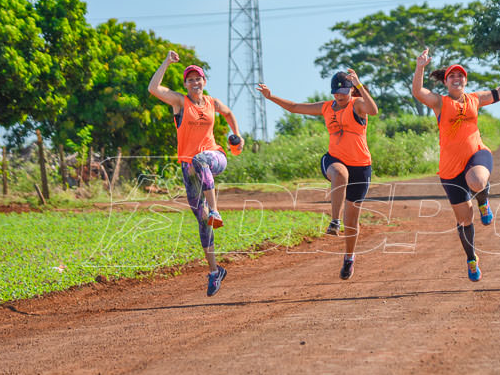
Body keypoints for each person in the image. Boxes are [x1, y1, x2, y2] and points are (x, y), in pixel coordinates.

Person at [412, 47, 500, 281]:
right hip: (450, 170)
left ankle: (483, 202)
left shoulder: (474, 99)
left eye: (460, 76)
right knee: (464, 220)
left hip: (476, 154)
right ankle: (471, 258)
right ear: (446, 82)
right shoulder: (440, 103)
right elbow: (418, 92)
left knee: (478, 180)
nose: (456, 79)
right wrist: (420, 67)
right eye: (452, 76)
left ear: (465, 81)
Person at [256, 69, 379, 280]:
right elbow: (294, 108)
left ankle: (349, 257)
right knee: (340, 174)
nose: (339, 96)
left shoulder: (357, 104)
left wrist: (358, 84)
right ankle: (334, 221)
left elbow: (374, 110)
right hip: (334, 159)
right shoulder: (326, 107)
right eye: (336, 92)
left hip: (361, 167)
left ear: (350, 90)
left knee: (353, 222)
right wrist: (271, 96)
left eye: (343, 92)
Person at [148, 50, 244, 297]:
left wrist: (237, 134)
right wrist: (167, 62)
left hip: (214, 157)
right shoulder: (181, 102)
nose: (194, 83)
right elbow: (153, 88)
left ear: (204, 82)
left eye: (198, 78)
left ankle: (215, 209)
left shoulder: (212, 103)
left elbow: (229, 113)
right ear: (185, 85)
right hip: (188, 168)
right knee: (202, 221)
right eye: (190, 79)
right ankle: (214, 271)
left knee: (201, 160)